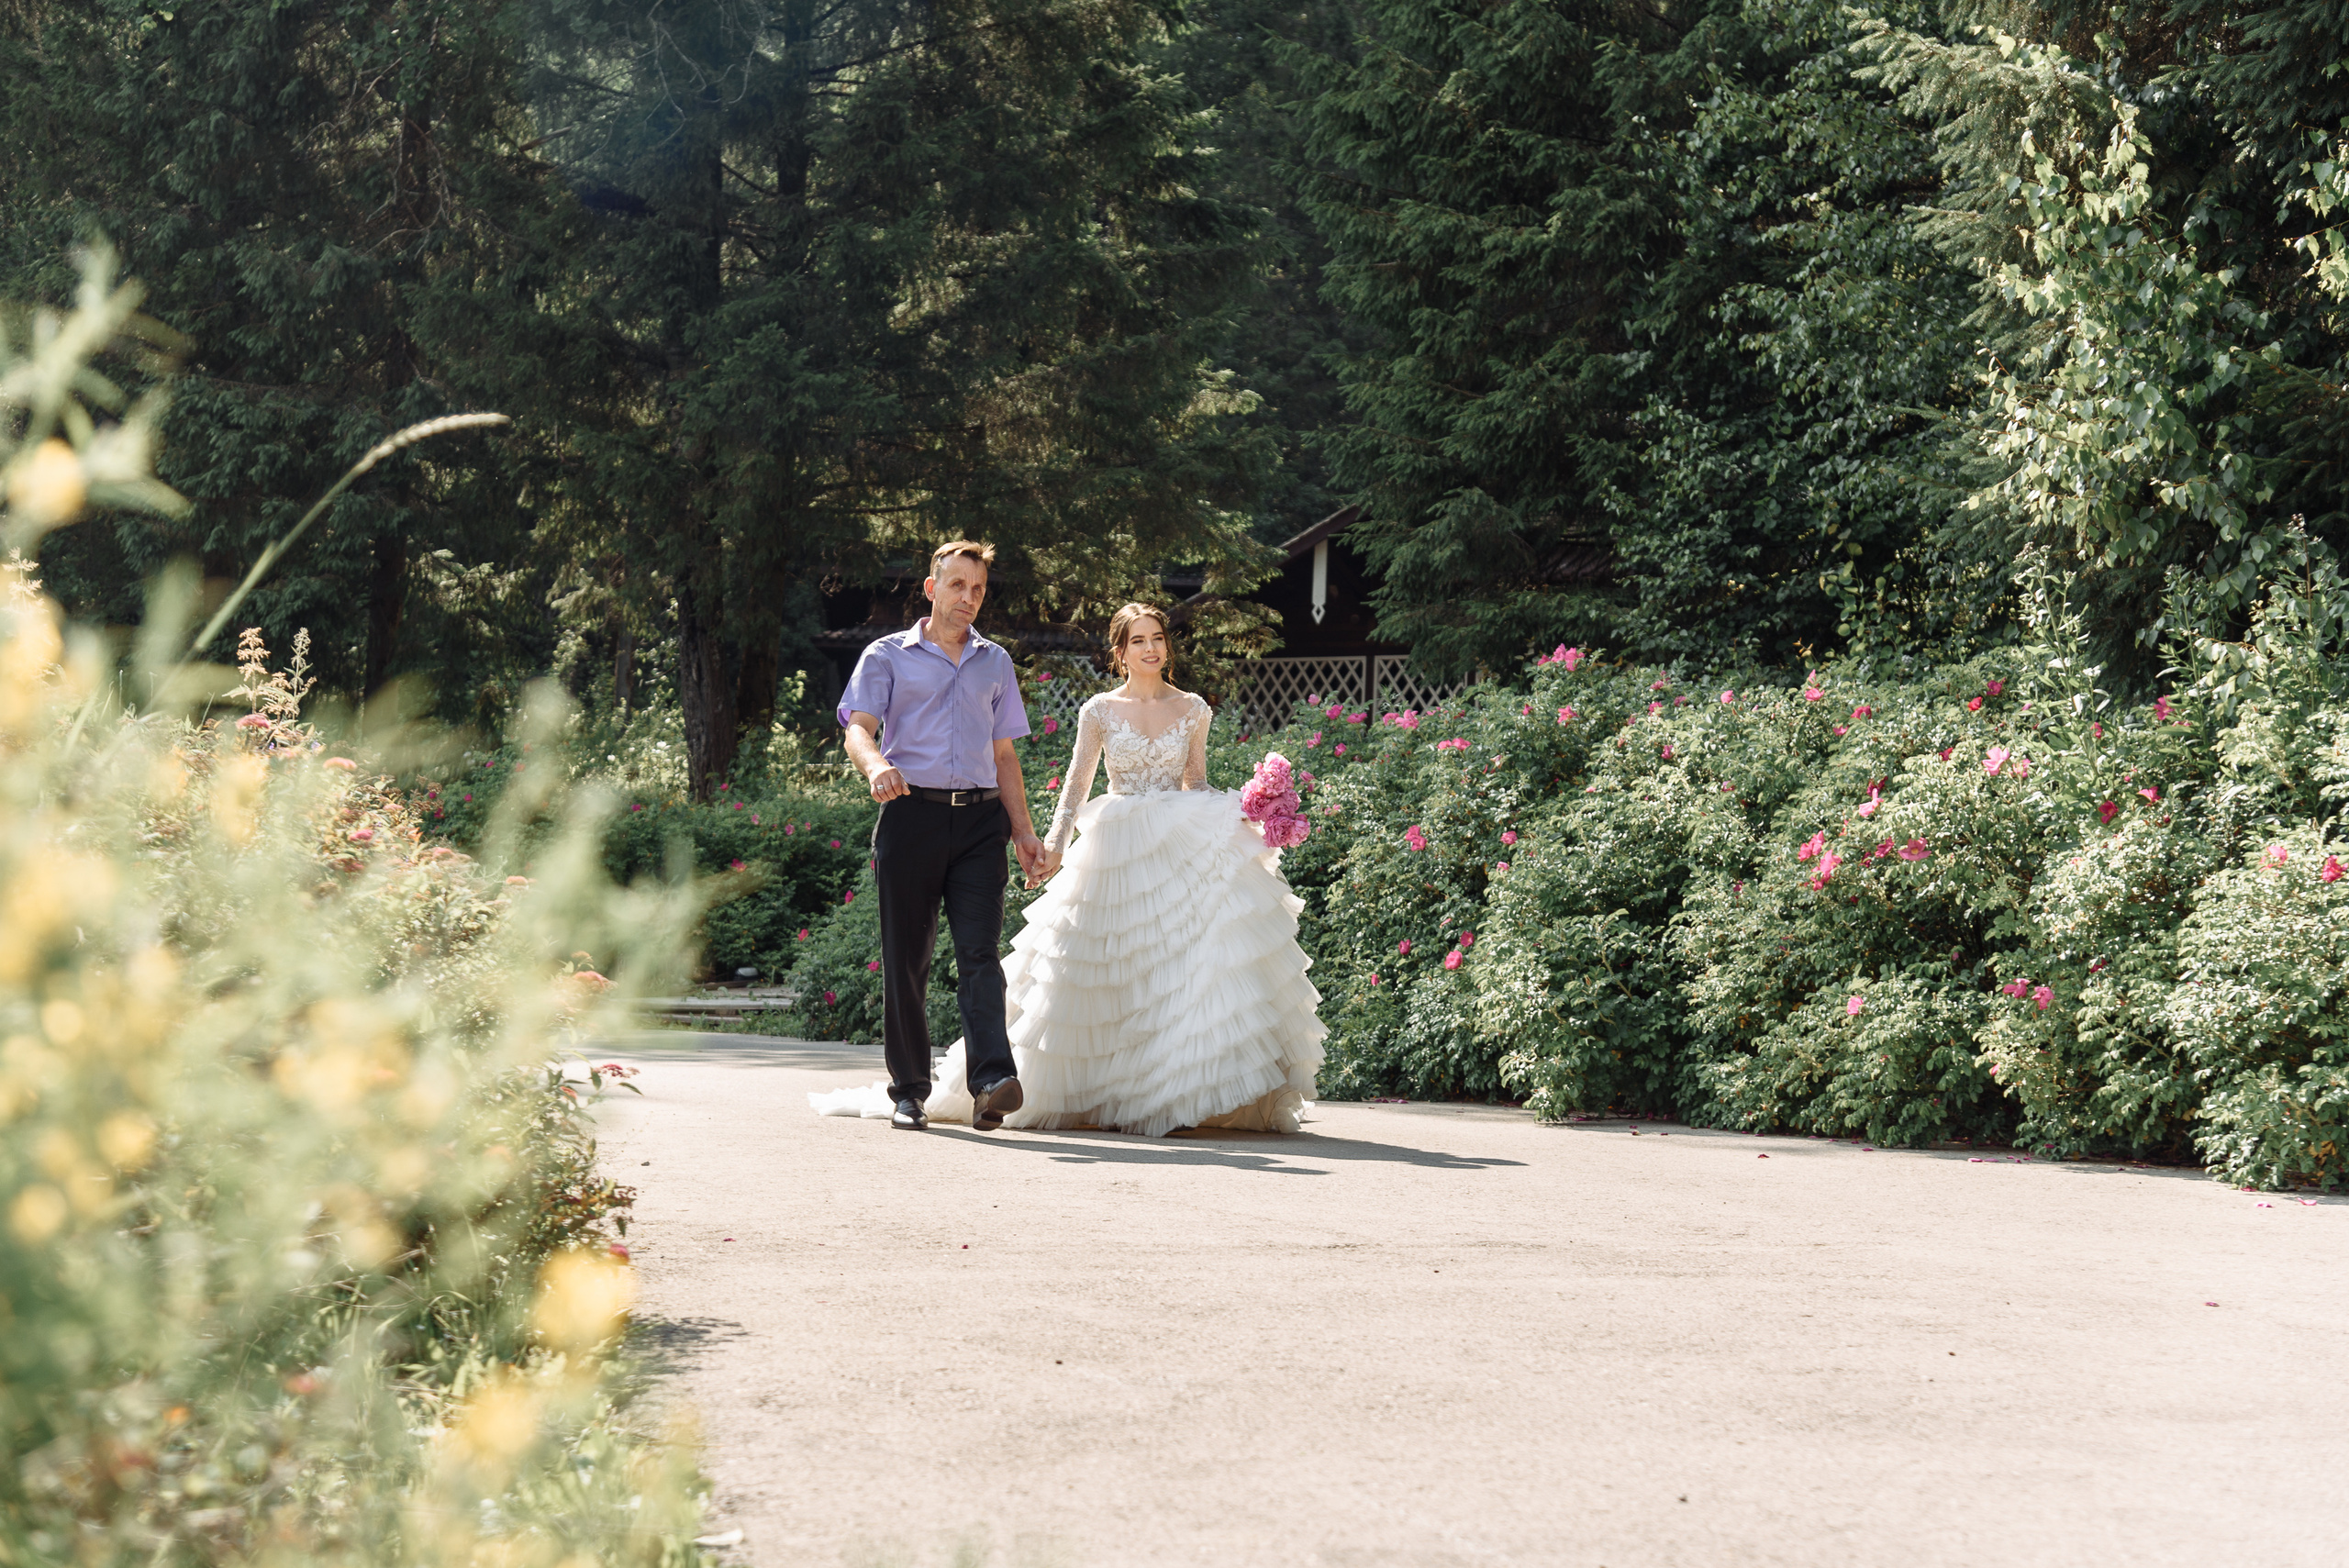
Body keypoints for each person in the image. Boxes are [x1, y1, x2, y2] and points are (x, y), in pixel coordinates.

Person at [812, 601, 1324, 1136]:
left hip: (1179, 841)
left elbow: (1193, 781)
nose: (1150, 649)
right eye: (1138, 641)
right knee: (1103, 969)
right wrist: (1049, 846)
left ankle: (1159, 1088)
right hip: (1116, 843)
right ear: (1120, 651)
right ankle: (938, 1088)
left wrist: (1246, 812)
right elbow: (1077, 788)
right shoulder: (1099, 710)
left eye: (1157, 639)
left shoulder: (1194, 708)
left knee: (1175, 970)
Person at [835, 539, 1046, 1131]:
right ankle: (908, 1090)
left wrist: (1023, 832)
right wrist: (876, 767)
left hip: (981, 822)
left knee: (980, 953)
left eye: (978, 589)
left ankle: (991, 1083)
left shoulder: (995, 661)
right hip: (911, 814)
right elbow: (858, 729)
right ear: (932, 589)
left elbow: (1004, 755)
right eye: (957, 585)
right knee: (908, 958)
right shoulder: (886, 656)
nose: (969, 598)